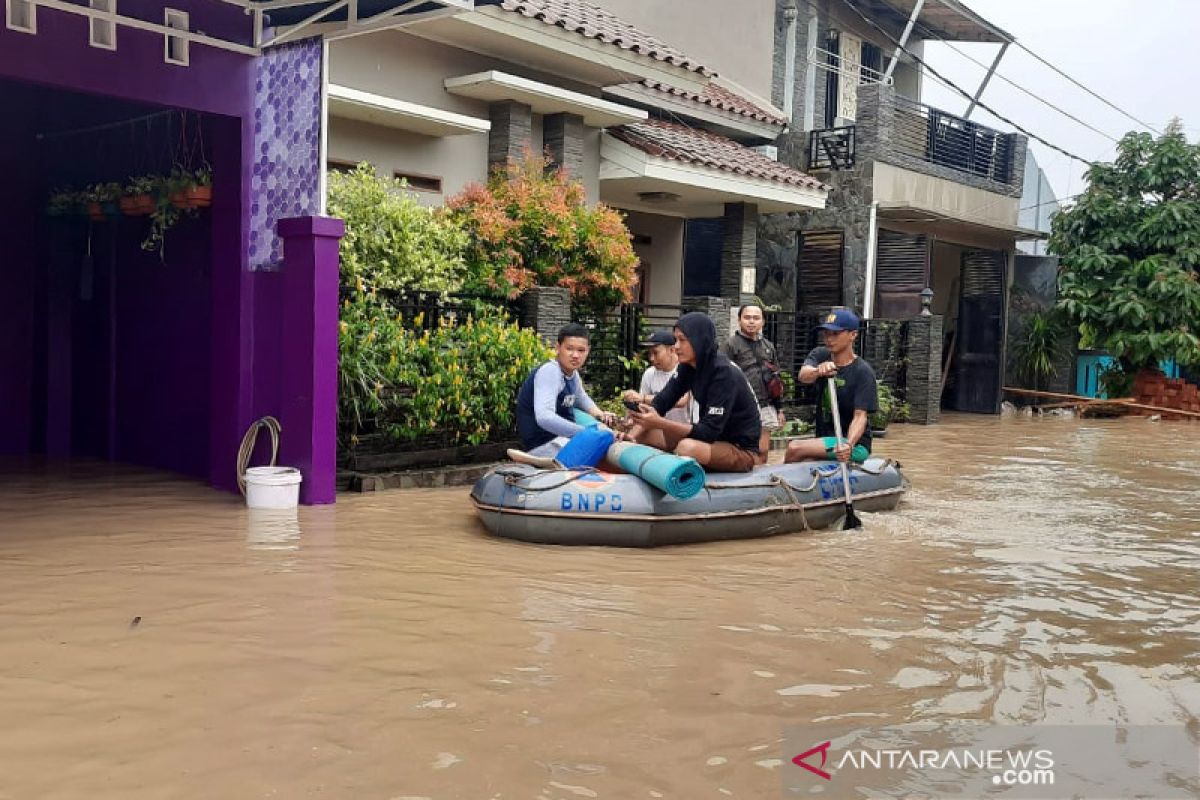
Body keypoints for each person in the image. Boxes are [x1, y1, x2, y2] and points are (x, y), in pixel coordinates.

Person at [625, 312, 761, 473]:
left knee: (686, 447)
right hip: (710, 442)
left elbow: (709, 432)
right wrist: (631, 435)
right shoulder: (688, 366)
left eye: (682, 340)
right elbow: (660, 404)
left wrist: (659, 422)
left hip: (740, 449)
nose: (676, 346)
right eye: (675, 340)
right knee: (641, 434)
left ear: (699, 340)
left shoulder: (723, 373)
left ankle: (674, 480)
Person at [784, 308, 878, 465]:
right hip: (825, 439)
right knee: (787, 459)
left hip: (852, 445)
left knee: (795, 448)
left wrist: (848, 445)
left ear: (853, 335)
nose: (829, 339)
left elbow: (860, 416)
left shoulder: (863, 372)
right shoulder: (821, 354)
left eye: (835, 334)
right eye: (826, 333)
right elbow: (803, 376)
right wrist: (818, 371)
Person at [515, 323, 617, 459]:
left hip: (563, 440)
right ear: (558, 348)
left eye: (581, 350)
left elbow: (581, 397)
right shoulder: (550, 371)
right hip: (544, 446)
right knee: (606, 439)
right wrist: (585, 432)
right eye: (569, 349)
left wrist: (600, 414)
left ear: (588, 351)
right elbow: (544, 417)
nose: (575, 355)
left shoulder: (572, 374)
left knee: (608, 437)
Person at [721, 303, 784, 464]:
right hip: (740, 406)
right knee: (742, 449)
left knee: (763, 449)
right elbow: (722, 377)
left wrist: (780, 409)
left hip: (766, 404)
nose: (751, 321)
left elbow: (775, 379)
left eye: (756, 318)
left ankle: (761, 481)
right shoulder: (730, 345)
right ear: (739, 320)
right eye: (747, 317)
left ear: (763, 322)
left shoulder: (768, 346)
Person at [622, 330, 698, 428]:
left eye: (656, 352)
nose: (652, 358)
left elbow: (681, 401)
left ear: (672, 350)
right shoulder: (649, 373)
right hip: (657, 428)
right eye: (649, 353)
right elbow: (644, 407)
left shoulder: (686, 370)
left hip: (684, 429)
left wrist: (643, 398)